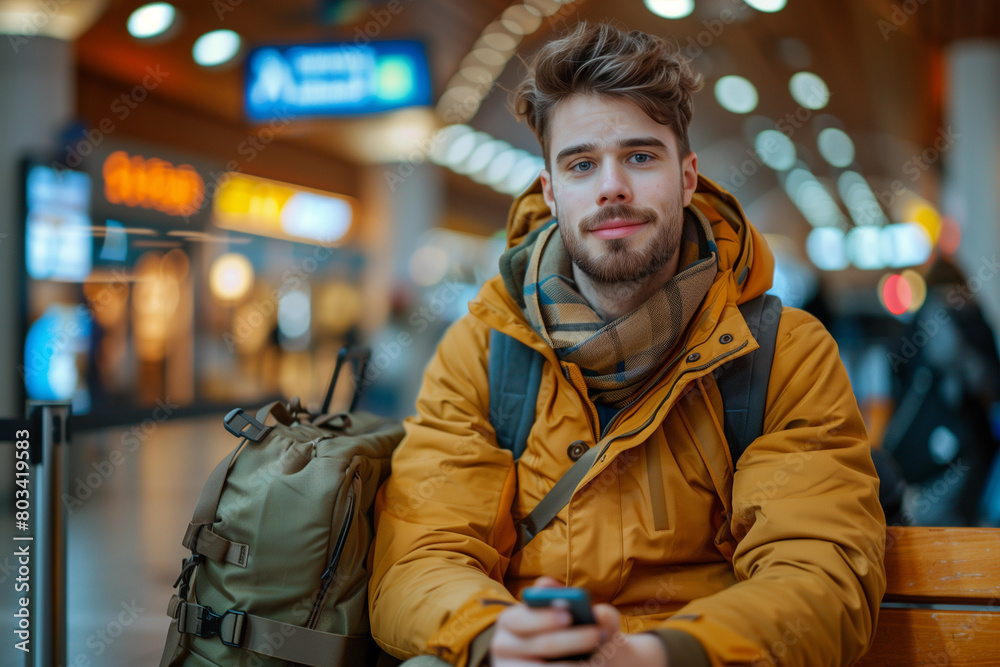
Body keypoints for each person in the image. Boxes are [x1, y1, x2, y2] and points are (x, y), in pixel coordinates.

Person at [369, 22, 886, 667]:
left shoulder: (782, 354)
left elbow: (819, 569)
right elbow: (423, 552)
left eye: (640, 157)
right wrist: (492, 637)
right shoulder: (482, 350)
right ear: (552, 192)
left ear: (688, 177)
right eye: (582, 164)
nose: (611, 186)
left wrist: (665, 655)